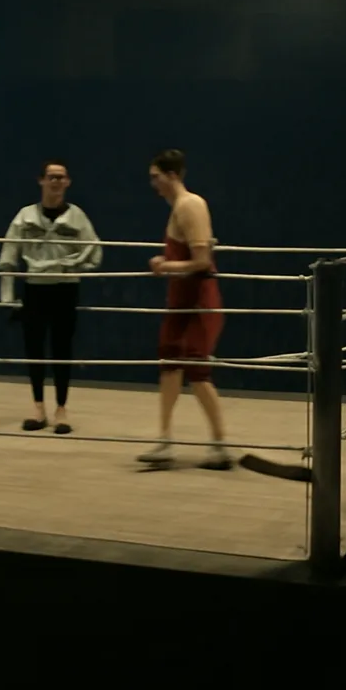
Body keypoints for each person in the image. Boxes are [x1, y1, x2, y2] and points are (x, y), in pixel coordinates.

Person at [136, 149, 229, 470]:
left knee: (197, 370)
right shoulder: (179, 207)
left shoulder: (190, 205)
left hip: (198, 302)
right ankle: (164, 441)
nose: (153, 184)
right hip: (180, 302)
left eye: (155, 177)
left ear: (172, 175)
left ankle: (220, 444)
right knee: (169, 365)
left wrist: (165, 265)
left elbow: (202, 262)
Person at [0, 161, 102, 433]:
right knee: (34, 350)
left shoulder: (77, 217)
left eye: (61, 177)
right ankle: (38, 407)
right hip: (34, 289)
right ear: (41, 180)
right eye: (51, 177)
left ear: (68, 182)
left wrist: (75, 266)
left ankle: (61, 409)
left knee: (62, 349)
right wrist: (8, 297)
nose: (56, 182)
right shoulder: (24, 216)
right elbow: (8, 258)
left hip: (65, 289)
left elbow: (95, 251)